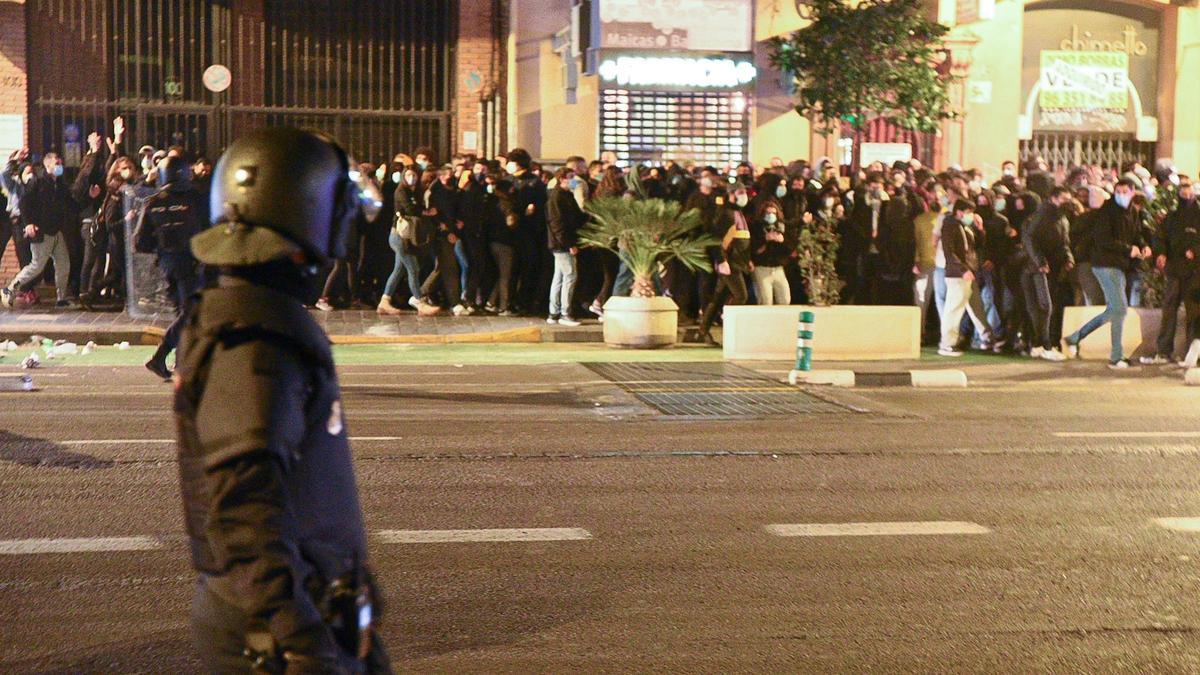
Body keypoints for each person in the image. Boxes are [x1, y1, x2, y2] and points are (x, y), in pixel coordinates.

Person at [176, 127, 391, 673]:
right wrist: (300, 639)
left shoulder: (252, 315)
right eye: (341, 210)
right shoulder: (254, 338)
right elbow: (244, 511)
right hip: (273, 635)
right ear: (313, 212)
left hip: (303, 610)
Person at [1064, 179, 1150, 369]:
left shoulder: (1133, 212)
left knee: (1114, 310)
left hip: (1119, 265)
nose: (1120, 194)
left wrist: (1143, 246)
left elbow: (1136, 234)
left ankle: (1075, 337)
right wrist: (1129, 250)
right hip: (1105, 264)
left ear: (1132, 192)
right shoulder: (1107, 212)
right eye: (1118, 190)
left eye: (1124, 191)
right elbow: (1103, 240)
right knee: (1120, 310)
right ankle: (1116, 357)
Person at [133, 157, 206, 380]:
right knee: (191, 313)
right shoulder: (196, 199)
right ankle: (160, 356)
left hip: (168, 263)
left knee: (183, 312)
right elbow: (211, 227)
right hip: (192, 263)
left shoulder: (153, 202)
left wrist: (162, 246)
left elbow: (140, 242)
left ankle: (182, 363)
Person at [2, 152, 74, 309]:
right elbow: (24, 203)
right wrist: (28, 224)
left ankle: (61, 298)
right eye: (56, 163)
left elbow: (71, 203)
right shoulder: (38, 182)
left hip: (56, 231)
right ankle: (10, 289)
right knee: (36, 266)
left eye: (60, 162)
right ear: (47, 165)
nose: (59, 165)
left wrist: (89, 196)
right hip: (42, 231)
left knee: (63, 264)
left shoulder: (61, 185)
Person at [1146, 178, 1200, 365]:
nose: (1186, 195)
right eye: (1183, 192)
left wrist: (1195, 251)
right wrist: (1160, 254)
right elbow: (1160, 238)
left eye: (1189, 191)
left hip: (1195, 272)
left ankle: (1192, 354)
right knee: (1170, 309)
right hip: (1175, 270)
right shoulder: (1172, 217)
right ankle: (1163, 351)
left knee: (1194, 313)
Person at [1020, 187, 1073, 362]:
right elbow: (1030, 239)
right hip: (1039, 268)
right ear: (1053, 198)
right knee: (1044, 306)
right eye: (1064, 198)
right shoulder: (1042, 216)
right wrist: (1040, 261)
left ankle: (1038, 344)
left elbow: (1064, 242)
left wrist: (1068, 257)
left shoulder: (1062, 218)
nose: (1067, 202)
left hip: (1053, 267)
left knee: (1043, 307)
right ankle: (1045, 345)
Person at [699, 186, 753, 345]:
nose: (744, 197)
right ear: (731, 195)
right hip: (730, 264)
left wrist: (748, 260)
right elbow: (717, 241)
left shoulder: (737, 213)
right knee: (740, 296)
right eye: (740, 193)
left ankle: (703, 331)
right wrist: (722, 260)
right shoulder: (726, 215)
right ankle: (729, 325)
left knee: (718, 297)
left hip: (737, 262)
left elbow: (742, 240)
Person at [938, 199, 992, 356]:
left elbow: (977, 245)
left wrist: (980, 229)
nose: (971, 215)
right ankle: (947, 344)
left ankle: (986, 337)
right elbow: (950, 252)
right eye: (969, 212)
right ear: (959, 211)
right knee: (953, 309)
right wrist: (962, 270)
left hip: (969, 272)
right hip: (958, 274)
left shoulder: (965, 227)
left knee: (976, 306)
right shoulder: (950, 225)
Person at [378, 166, 428, 315]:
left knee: (398, 270)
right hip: (399, 236)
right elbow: (410, 209)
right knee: (413, 268)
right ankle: (419, 301)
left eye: (414, 175)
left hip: (405, 236)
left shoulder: (414, 191)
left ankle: (384, 301)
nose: (411, 177)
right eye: (408, 175)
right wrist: (423, 211)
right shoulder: (401, 191)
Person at [546, 166, 585, 326]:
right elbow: (557, 224)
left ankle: (554, 312)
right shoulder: (557, 198)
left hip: (561, 243)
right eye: (571, 177)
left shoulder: (564, 195)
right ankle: (565, 313)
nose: (574, 180)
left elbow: (577, 217)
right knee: (570, 275)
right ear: (562, 179)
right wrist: (569, 244)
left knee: (560, 277)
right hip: (562, 244)